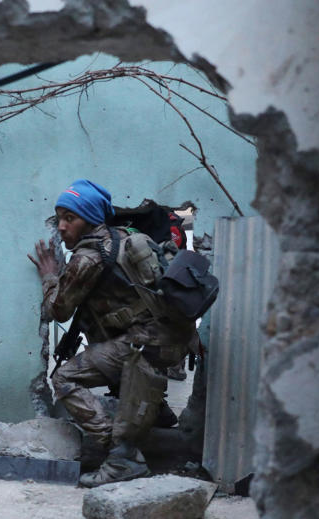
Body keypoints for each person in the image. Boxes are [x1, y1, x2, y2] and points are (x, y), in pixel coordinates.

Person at [28, 179, 196, 487]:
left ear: (90, 220)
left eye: (70, 218)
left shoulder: (88, 257)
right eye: (60, 217)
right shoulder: (122, 237)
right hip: (170, 339)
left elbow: (59, 310)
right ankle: (158, 415)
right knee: (103, 341)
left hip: (146, 343)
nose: (62, 227)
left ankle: (123, 458)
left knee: (64, 378)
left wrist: (51, 276)